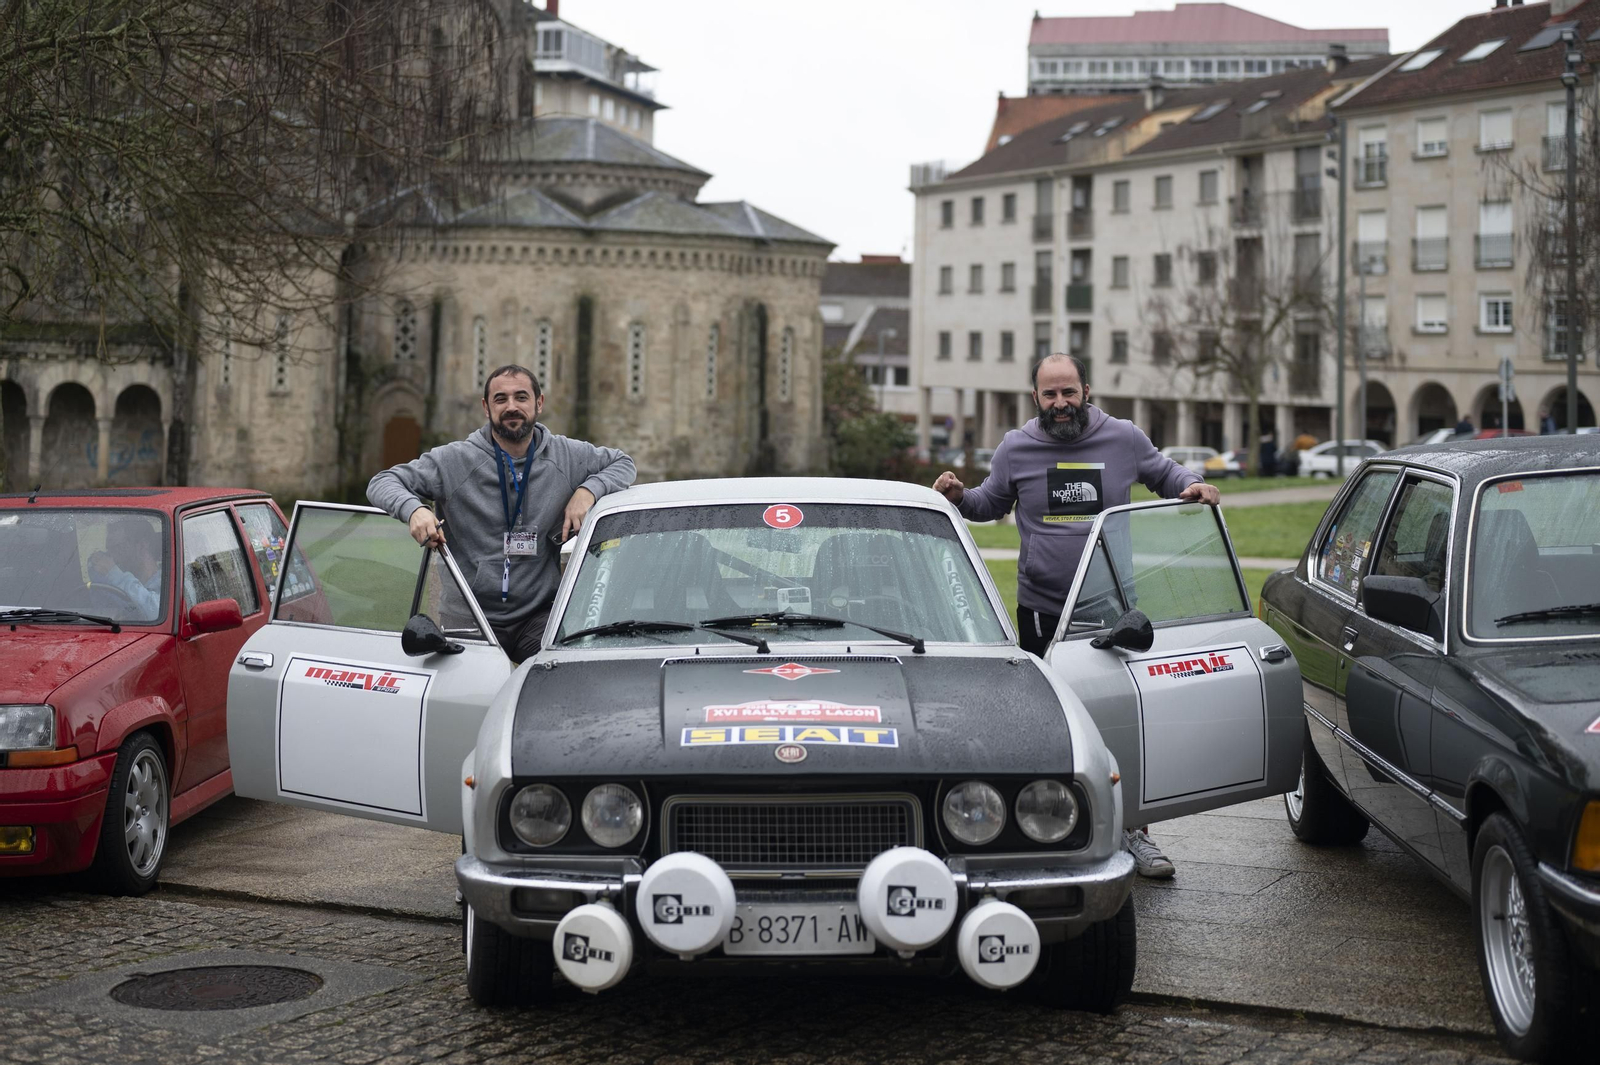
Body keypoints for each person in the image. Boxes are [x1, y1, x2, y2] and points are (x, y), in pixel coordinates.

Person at [932, 352, 1220, 879]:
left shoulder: (1123, 437)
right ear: (1035, 398)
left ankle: (1135, 832)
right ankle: (1047, 827)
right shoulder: (1017, 447)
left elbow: (1164, 472)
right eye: (1050, 395)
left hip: (1111, 611)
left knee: (1121, 720)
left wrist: (1193, 483)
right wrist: (957, 496)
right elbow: (988, 503)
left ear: (1086, 390)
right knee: (1047, 724)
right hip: (1042, 612)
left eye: (1069, 392)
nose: (1061, 403)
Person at [368, 364, 635, 660]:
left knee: (560, 677)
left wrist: (588, 491)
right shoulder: (455, 460)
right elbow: (383, 482)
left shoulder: (565, 455)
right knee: (468, 699)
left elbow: (623, 464)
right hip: (469, 616)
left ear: (539, 403)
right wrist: (414, 509)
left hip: (537, 616)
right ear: (486, 407)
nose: (511, 407)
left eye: (521, 397)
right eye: (500, 399)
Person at [88, 518, 163, 619]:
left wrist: (113, 573)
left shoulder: (170, 584)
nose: (111, 556)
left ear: (142, 545)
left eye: (117, 547)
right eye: (109, 550)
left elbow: (156, 614)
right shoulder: (117, 585)